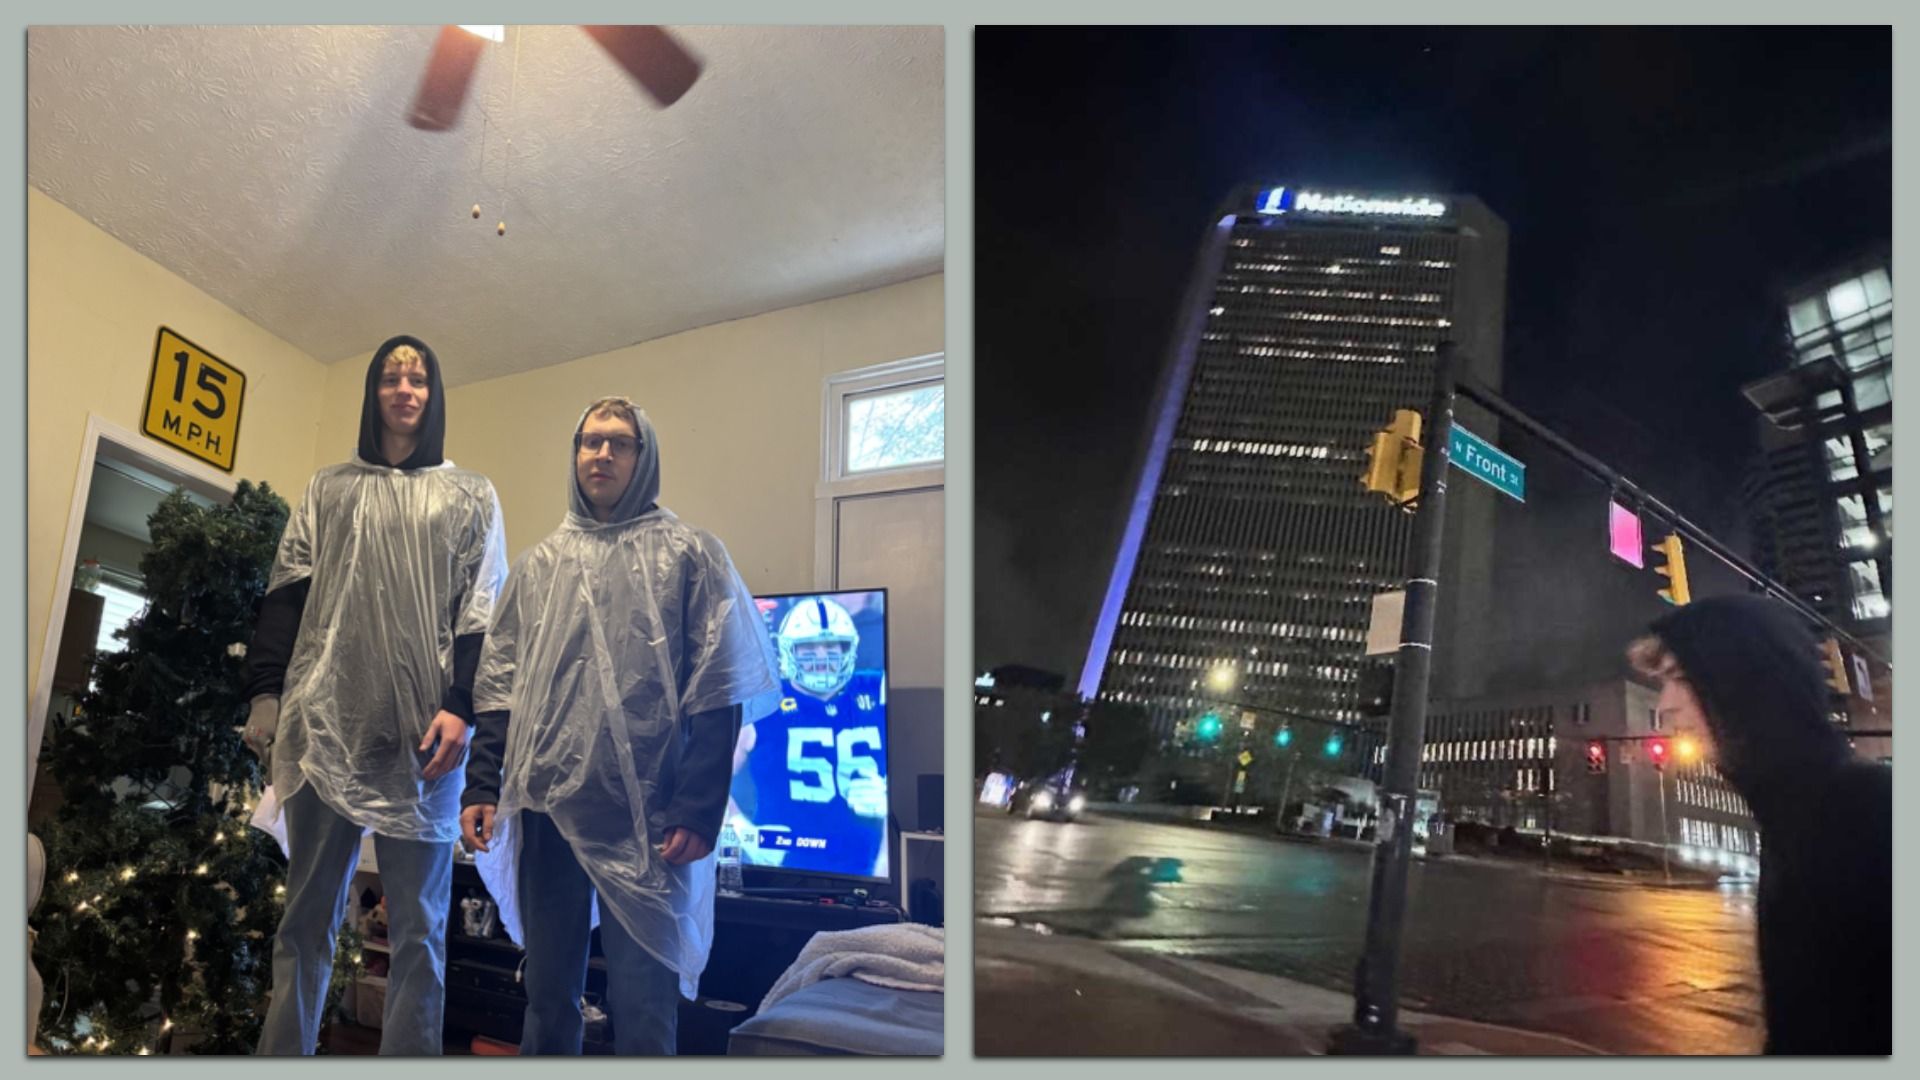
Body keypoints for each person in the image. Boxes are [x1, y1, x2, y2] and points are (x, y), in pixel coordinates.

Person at [460, 397, 778, 1056]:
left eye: (620, 443)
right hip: (548, 810)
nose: (602, 454)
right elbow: (499, 687)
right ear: (575, 455)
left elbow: (718, 691)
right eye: (590, 441)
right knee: (547, 993)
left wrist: (697, 807)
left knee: (644, 1000)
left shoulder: (692, 556)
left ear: (644, 456)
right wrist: (481, 785)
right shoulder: (538, 567)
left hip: (650, 820)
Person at [241, 336, 508, 1055]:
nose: (404, 388)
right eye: (391, 377)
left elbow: (481, 616)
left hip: (422, 742)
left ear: (434, 394)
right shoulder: (328, 488)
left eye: (418, 377)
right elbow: (286, 596)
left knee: (420, 931)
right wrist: (267, 692)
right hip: (324, 731)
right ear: (373, 393)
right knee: (305, 922)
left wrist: (461, 706)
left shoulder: (471, 495)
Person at [1627, 595, 1890, 1056]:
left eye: (1681, 679)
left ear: (1748, 687)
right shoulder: (1791, 821)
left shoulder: (1869, 812)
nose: (1665, 705)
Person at [727, 595, 890, 878]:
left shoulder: (877, 691)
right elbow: (706, 784)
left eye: (831, 645)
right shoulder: (762, 702)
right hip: (782, 866)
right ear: (788, 651)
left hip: (866, 867)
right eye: (808, 647)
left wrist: (890, 801)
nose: (821, 656)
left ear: (849, 648)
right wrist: (742, 830)